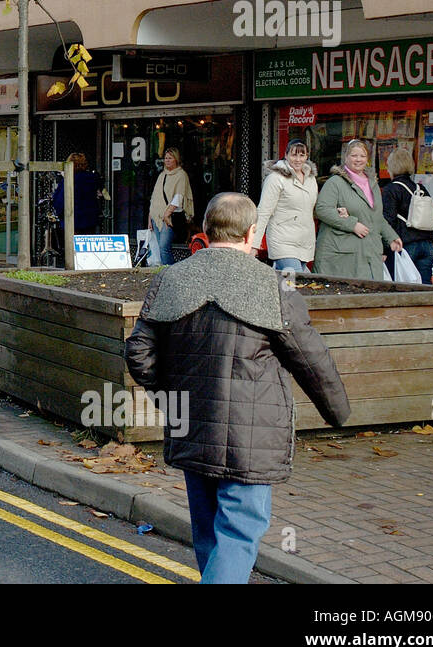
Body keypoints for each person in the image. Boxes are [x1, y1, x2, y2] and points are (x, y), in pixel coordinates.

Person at [124, 192, 351, 584]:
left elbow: (138, 353)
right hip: (252, 434)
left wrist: (170, 396)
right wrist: (339, 413)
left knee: (209, 532)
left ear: (205, 231)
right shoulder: (273, 287)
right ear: (252, 233)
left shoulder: (171, 279)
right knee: (239, 532)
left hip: (191, 426)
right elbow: (312, 359)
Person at [314, 139, 401, 281]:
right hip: (342, 259)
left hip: (369, 254)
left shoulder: (372, 183)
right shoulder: (335, 183)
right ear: (346, 158)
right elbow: (322, 209)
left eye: (362, 156)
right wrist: (352, 224)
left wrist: (391, 237)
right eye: (354, 155)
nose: (358, 159)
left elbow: (377, 217)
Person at [252, 139, 318, 274]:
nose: (298, 159)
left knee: (290, 285)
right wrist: (254, 244)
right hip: (282, 241)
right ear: (286, 155)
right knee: (296, 282)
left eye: (302, 155)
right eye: (294, 155)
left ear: (307, 156)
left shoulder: (311, 179)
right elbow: (264, 211)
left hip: (305, 241)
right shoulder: (275, 178)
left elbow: (313, 208)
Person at [382, 148, 433, 285]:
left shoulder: (391, 190)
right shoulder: (421, 189)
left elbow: (387, 221)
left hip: (405, 245)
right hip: (427, 244)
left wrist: (383, 249)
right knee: (425, 291)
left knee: (403, 290)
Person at [148, 147, 193, 265]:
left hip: (169, 217)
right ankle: (163, 271)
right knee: (160, 247)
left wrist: (167, 214)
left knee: (164, 247)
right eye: (165, 158)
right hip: (156, 216)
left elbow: (178, 197)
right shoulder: (162, 175)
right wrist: (150, 218)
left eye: (170, 158)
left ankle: (168, 272)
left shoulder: (181, 175)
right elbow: (154, 198)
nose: (167, 160)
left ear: (176, 159)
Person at [52, 152, 103, 242]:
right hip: (90, 220)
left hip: (72, 220)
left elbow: (59, 201)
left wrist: (61, 215)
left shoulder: (68, 179)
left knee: (73, 249)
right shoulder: (93, 178)